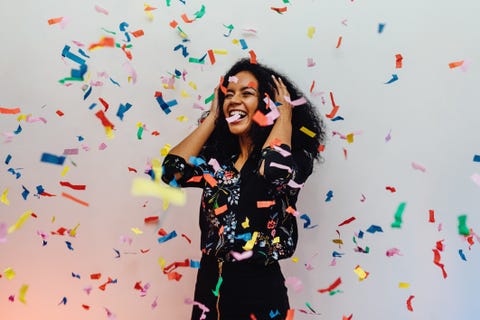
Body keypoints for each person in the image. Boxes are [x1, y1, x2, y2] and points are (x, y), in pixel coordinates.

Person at [161, 58, 325, 320]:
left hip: (259, 288)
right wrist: (213, 118)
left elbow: (271, 169)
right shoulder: (218, 161)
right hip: (210, 285)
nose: (234, 100)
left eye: (246, 93)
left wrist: (283, 115)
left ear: (267, 103)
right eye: (229, 95)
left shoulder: (297, 157)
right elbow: (172, 172)